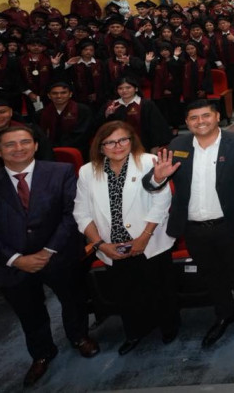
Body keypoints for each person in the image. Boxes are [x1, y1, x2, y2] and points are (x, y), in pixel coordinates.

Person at [143, 100, 234, 347]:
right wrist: (157, 177)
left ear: (217, 116)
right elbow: (151, 183)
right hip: (194, 229)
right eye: (194, 118)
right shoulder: (177, 145)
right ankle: (224, 314)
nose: (200, 121)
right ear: (187, 122)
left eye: (205, 115)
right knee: (211, 276)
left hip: (231, 227)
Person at [0, 126, 99, 387]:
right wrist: (16, 259)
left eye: (24, 142)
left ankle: (79, 337)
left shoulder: (61, 172)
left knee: (73, 300)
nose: (18, 148)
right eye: (10, 144)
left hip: (58, 255)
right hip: (11, 263)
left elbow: (71, 214)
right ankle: (42, 354)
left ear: (36, 145)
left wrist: (47, 251)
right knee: (29, 312)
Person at [73, 121, 178, 355]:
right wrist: (100, 244)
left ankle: (168, 327)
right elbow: (81, 212)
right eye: (110, 142)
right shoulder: (87, 171)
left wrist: (144, 238)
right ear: (100, 147)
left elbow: (162, 202)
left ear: (132, 141)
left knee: (160, 289)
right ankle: (134, 332)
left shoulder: (149, 162)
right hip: (112, 246)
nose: (117, 146)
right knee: (126, 294)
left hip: (150, 240)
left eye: (123, 140)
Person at [99, 75, 171, 153]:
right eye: (120, 88)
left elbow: (156, 127)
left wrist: (154, 146)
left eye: (128, 87)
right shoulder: (111, 105)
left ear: (136, 89)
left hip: (142, 146)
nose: (124, 91)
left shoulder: (146, 104)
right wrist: (107, 114)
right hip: (117, 147)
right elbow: (100, 127)